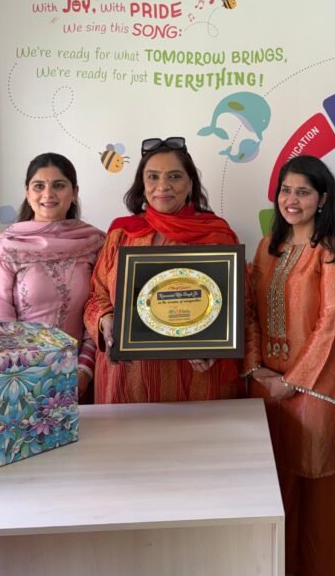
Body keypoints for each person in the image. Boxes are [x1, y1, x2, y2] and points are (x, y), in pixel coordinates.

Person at [245, 155, 335, 576]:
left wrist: (292, 381)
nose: (292, 200)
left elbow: (333, 325)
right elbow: (250, 312)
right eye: (285, 191)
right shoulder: (268, 247)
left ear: (323, 198)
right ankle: (288, 570)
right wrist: (255, 367)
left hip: (316, 391)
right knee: (278, 489)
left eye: (303, 192)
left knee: (319, 493)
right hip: (267, 387)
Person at [84, 136, 241, 403]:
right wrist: (105, 321)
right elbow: (95, 296)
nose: (163, 186)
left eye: (175, 176)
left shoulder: (216, 236)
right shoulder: (122, 234)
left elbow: (240, 306)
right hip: (128, 379)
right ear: (142, 184)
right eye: (153, 177)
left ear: (190, 183)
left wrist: (216, 345)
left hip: (195, 380)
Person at [0, 152, 105, 399]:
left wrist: (83, 370)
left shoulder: (94, 243)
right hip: (18, 382)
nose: (48, 194)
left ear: (74, 192)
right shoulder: (6, 248)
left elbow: (100, 306)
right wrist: (30, 377)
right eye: (39, 186)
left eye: (59, 185)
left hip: (81, 378)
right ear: (27, 193)